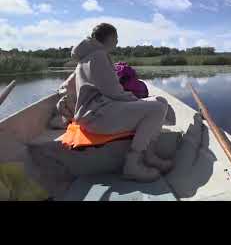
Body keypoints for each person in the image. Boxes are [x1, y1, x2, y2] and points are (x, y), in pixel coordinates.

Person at [71, 23, 176, 182]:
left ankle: (150, 155)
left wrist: (142, 103)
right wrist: (138, 101)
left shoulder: (87, 56)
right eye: (117, 38)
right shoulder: (98, 55)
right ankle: (132, 165)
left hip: (99, 112)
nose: (117, 42)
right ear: (110, 37)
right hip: (98, 116)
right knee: (156, 108)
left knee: (160, 101)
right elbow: (113, 91)